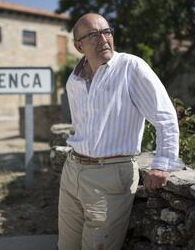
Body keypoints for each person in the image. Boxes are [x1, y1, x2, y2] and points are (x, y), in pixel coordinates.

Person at [58, 13, 184, 250]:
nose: (104, 39)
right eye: (94, 35)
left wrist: (162, 163)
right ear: (79, 46)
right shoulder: (74, 80)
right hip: (72, 170)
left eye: (107, 32)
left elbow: (165, 117)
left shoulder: (131, 67)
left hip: (110, 176)